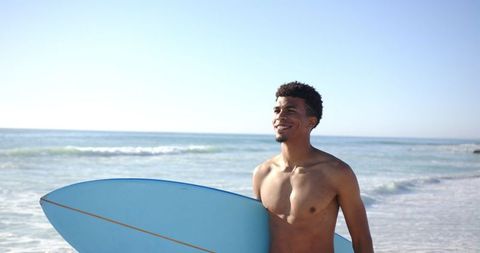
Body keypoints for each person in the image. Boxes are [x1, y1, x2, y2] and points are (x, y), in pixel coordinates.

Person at [253, 81, 374, 253]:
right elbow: (257, 234)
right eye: (277, 110)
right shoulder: (262, 173)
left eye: (290, 110)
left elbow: (361, 239)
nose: (280, 116)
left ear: (311, 121)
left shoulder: (337, 172)